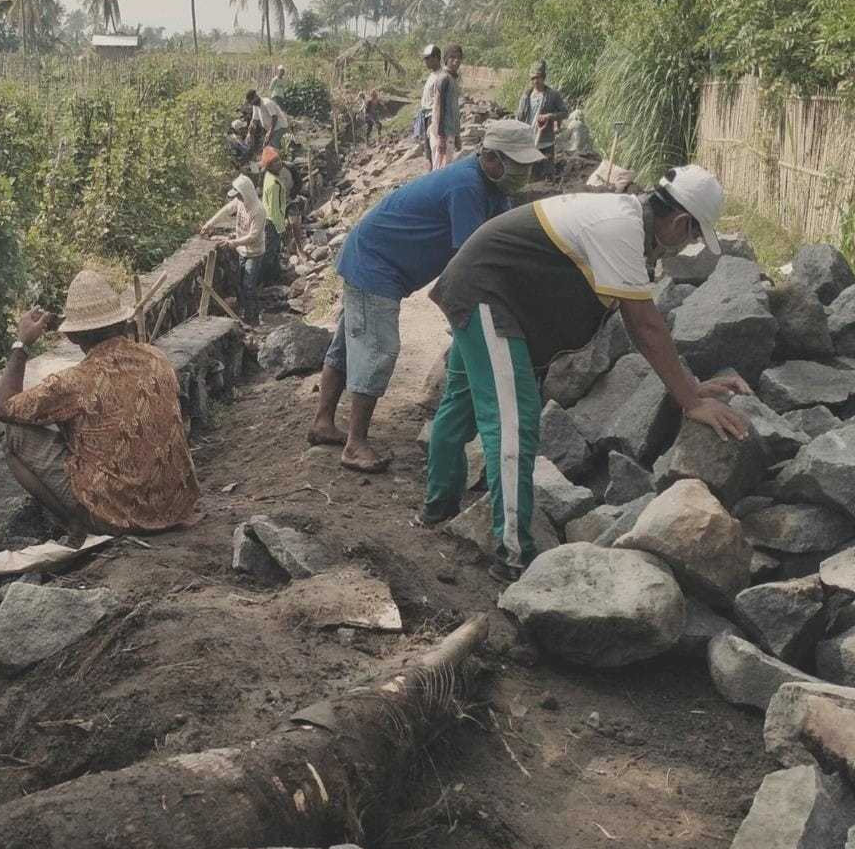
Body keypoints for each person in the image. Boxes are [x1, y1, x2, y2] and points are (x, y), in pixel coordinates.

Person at [421, 165, 751, 581]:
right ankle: (512, 555)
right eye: (692, 236)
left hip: (487, 290)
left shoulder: (628, 221)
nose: (687, 246)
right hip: (486, 294)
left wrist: (690, 386)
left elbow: (641, 324)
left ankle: (438, 509)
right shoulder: (621, 227)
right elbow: (645, 327)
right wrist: (690, 400)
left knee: (463, 403)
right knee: (513, 423)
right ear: (682, 221)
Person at [309, 120, 545, 471]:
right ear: (493, 158)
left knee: (348, 342)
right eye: (518, 165)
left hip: (375, 257)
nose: (524, 173)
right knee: (378, 349)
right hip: (376, 264)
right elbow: (469, 260)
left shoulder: (493, 189)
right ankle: (355, 445)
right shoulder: (467, 187)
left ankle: (323, 422)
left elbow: (500, 242)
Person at [0, 269, 201, 537]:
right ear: (121, 321)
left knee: (14, 436)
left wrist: (21, 344)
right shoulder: (157, 359)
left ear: (72, 337)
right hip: (175, 507)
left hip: (119, 517)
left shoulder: (74, 382)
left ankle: (77, 524)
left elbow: (4, 408)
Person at [201, 175, 267, 324]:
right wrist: (210, 223)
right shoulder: (239, 202)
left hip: (254, 253)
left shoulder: (258, 211)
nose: (238, 198)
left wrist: (233, 243)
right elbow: (225, 211)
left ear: (247, 193)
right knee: (240, 284)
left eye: (239, 195)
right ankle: (247, 311)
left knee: (248, 285)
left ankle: (253, 316)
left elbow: (253, 236)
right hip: (241, 251)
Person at [516, 60, 570, 177]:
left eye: (538, 77)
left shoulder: (552, 95)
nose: (535, 81)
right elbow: (519, 118)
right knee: (531, 176)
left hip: (546, 142)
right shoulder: (526, 96)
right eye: (533, 78)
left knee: (547, 177)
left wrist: (549, 116)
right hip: (529, 141)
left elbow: (565, 113)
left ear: (543, 77)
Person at [432, 42, 464, 170]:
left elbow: (454, 111)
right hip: (443, 134)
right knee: (440, 171)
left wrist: (457, 135)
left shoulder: (452, 79)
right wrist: (441, 137)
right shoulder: (444, 79)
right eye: (452, 57)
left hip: (450, 133)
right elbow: (439, 109)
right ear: (446, 59)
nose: (456, 61)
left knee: (445, 168)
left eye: (459, 58)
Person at [260, 146, 289, 281]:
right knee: (271, 252)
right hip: (272, 222)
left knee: (273, 251)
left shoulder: (268, 177)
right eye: (275, 162)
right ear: (269, 166)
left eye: (278, 160)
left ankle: (274, 277)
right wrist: (281, 228)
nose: (279, 163)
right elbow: (274, 209)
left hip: (270, 220)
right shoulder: (274, 184)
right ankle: (268, 280)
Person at [246, 89, 290, 154]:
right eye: (250, 102)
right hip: (272, 129)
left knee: (272, 149)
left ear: (255, 97)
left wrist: (270, 132)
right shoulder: (255, 106)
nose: (251, 103)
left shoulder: (267, 103)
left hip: (280, 128)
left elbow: (274, 117)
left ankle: (278, 161)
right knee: (266, 147)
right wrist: (249, 133)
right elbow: (254, 120)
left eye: (251, 101)